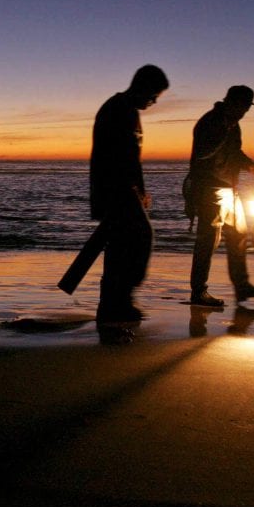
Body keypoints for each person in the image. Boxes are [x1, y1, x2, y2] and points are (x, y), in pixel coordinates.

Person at [89, 64, 169, 322]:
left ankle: (114, 302)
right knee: (140, 236)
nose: (154, 101)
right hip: (115, 188)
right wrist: (132, 190)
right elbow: (119, 157)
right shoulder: (119, 109)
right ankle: (120, 298)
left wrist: (141, 190)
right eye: (154, 95)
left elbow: (133, 157)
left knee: (120, 244)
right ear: (142, 86)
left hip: (120, 188)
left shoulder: (126, 109)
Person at [185, 85, 254, 306]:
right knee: (208, 241)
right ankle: (199, 292)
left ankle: (242, 287)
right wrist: (224, 131)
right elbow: (203, 153)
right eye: (243, 107)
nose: (245, 112)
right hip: (209, 189)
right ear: (231, 102)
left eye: (247, 109)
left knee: (239, 234)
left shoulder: (234, 125)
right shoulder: (211, 121)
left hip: (230, 189)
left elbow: (235, 152)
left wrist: (247, 163)